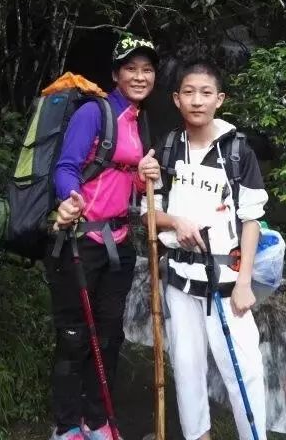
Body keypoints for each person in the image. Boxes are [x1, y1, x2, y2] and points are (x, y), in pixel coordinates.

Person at [143, 60, 268, 440]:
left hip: (226, 281)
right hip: (179, 279)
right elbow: (149, 213)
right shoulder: (166, 149)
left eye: (206, 93)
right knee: (186, 368)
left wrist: (244, 282)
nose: (197, 100)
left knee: (243, 369)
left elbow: (251, 220)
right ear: (176, 99)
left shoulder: (237, 151)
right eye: (189, 92)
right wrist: (175, 222)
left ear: (219, 99)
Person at [46, 35, 162, 440]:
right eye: (131, 68)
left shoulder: (139, 120)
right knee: (74, 336)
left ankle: (96, 420)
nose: (140, 76)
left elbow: (126, 179)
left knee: (110, 336)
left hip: (119, 244)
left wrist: (144, 177)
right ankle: (66, 426)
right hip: (79, 241)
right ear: (116, 74)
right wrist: (69, 198)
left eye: (147, 69)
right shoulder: (94, 112)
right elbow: (67, 167)